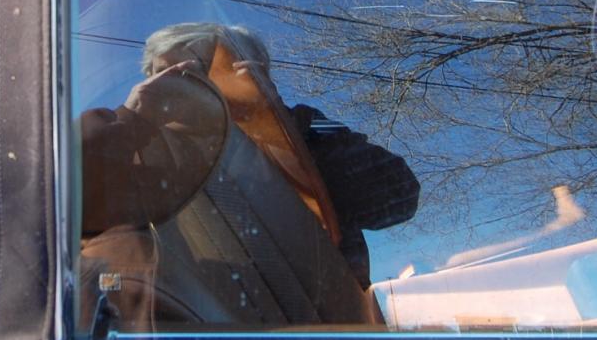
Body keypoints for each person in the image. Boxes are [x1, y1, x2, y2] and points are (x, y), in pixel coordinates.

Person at [135, 23, 420, 288]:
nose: (176, 86)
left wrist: (271, 120)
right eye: (161, 74)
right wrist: (131, 124)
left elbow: (399, 194)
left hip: (328, 321)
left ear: (248, 74)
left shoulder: (305, 124)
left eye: (196, 71)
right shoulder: (141, 152)